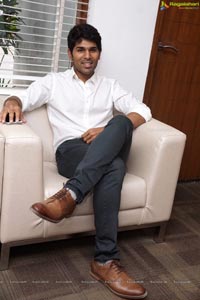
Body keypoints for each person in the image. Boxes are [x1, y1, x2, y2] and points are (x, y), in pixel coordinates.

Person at [0, 24, 151, 299]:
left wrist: (105, 131)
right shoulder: (54, 82)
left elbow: (143, 110)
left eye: (93, 50)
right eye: (81, 49)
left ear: (99, 54)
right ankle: (105, 261)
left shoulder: (110, 86)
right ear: (70, 53)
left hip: (102, 146)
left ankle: (70, 195)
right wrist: (11, 101)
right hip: (71, 151)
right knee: (114, 166)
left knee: (120, 122)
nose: (87, 55)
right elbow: (23, 97)